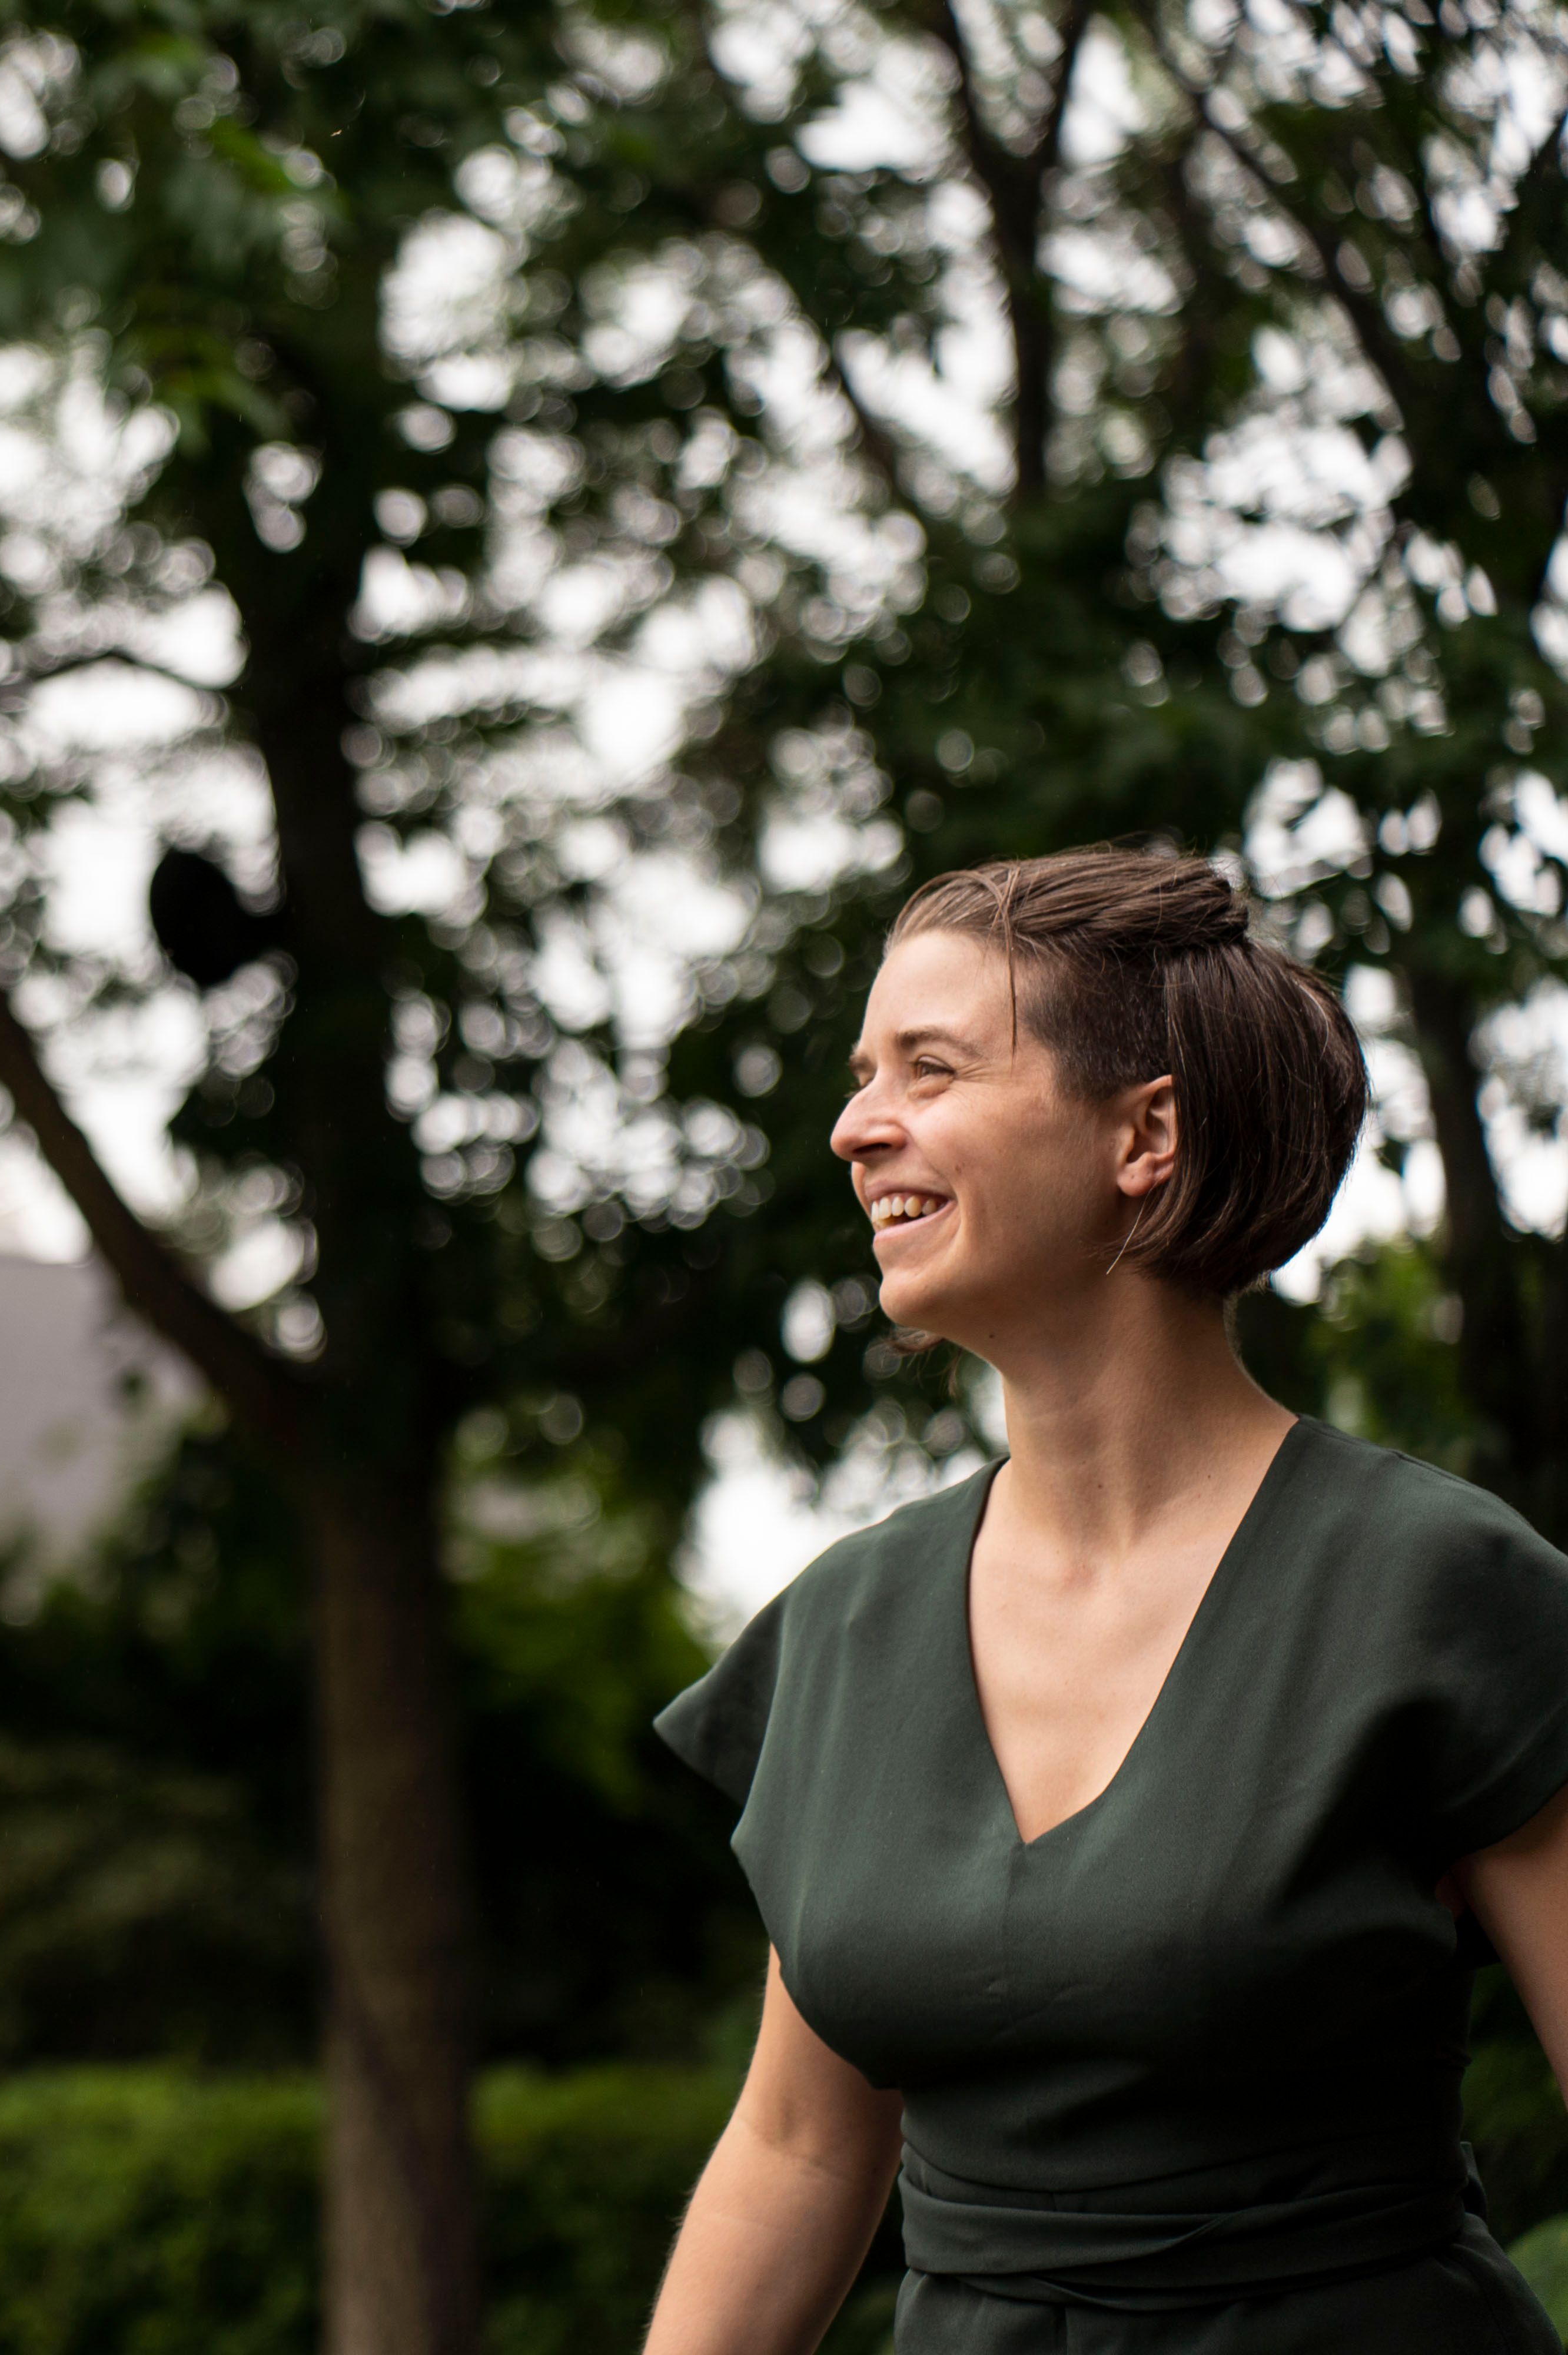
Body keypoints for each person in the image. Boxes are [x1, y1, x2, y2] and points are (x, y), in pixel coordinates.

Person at [644, 845, 1568, 2353]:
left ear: (1144, 1134)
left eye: (929, 1069)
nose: (857, 1125)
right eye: (865, 1073)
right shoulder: (844, 1630)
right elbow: (803, 2146)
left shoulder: (1433, 1588)